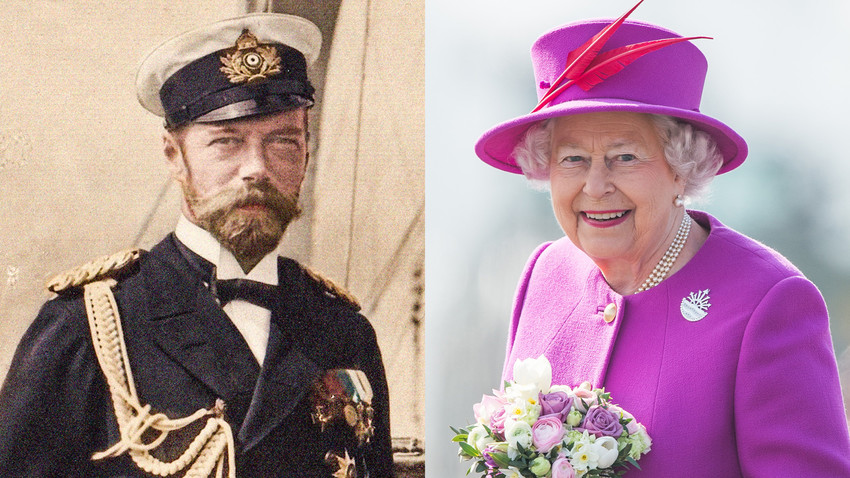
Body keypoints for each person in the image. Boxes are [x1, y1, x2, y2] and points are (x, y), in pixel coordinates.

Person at [0, 13, 393, 478]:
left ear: (307, 152)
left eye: (283, 142)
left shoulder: (343, 330)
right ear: (174, 156)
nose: (256, 169)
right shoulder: (90, 327)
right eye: (226, 143)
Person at [473, 7, 850, 477]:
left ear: (681, 167)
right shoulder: (543, 274)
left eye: (624, 156)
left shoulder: (768, 303)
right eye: (571, 158)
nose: (594, 185)